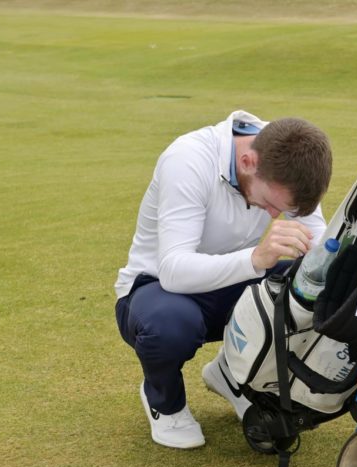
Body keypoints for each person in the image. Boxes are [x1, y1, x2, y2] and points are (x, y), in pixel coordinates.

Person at [114, 110, 332, 449]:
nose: (275, 216)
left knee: (310, 290)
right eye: (271, 205)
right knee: (170, 326)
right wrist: (257, 258)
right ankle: (164, 401)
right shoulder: (187, 159)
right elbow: (173, 269)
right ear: (247, 161)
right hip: (156, 290)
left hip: (234, 285)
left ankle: (235, 376)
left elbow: (318, 244)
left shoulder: (286, 161)